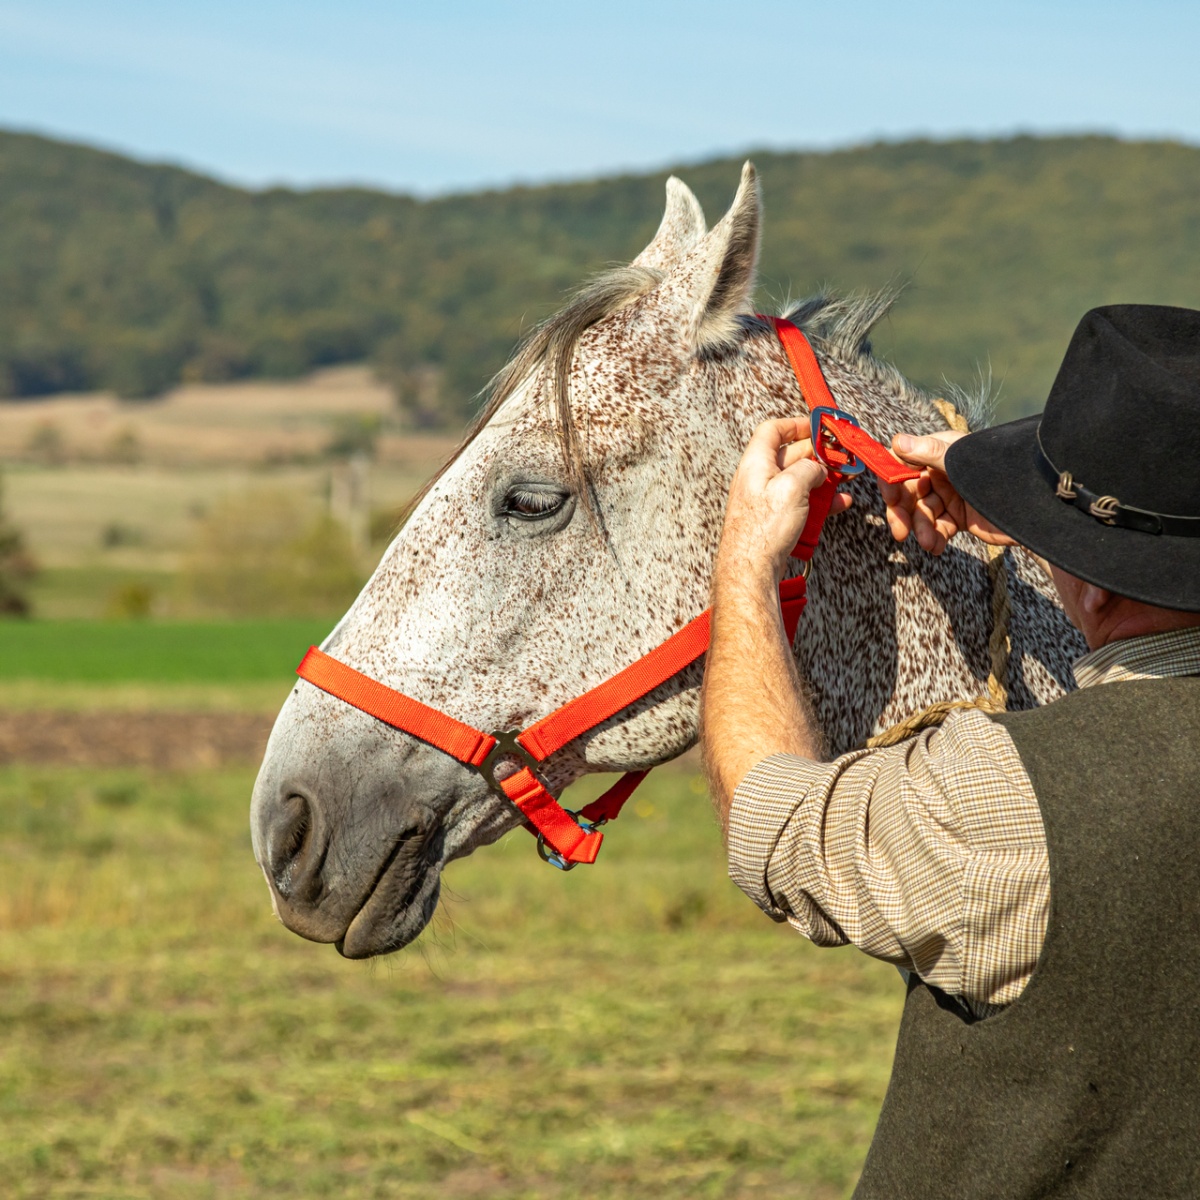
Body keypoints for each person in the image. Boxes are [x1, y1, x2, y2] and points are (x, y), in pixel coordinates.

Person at [702, 304, 1200, 1198]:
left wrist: (742, 571)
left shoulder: (1002, 804)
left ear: (1085, 574)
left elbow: (770, 821)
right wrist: (1062, 536)